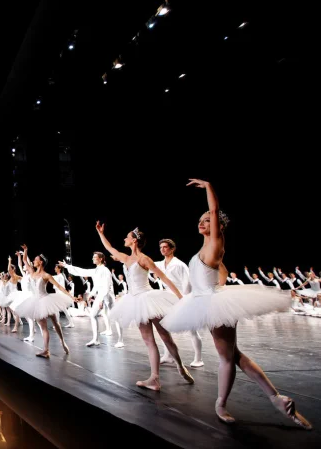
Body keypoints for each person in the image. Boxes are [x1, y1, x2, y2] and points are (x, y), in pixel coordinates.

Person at [161, 179, 309, 428]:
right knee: (234, 355)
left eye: (207, 220)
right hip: (204, 300)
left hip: (212, 303)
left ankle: (221, 403)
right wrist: (215, 286)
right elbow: (221, 272)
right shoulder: (206, 247)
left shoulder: (216, 242)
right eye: (201, 219)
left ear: (217, 226)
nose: (202, 222)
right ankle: (277, 399)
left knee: (227, 358)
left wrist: (208, 187)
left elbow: (216, 211)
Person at [94, 221, 194, 391]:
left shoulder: (143, 259)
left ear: (134, 240)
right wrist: (100, 233)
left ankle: (180, 366)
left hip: (148, 298)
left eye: (127, 236)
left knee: (164, 335)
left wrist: (180, 296)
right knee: (148, 340)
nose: (125, 238)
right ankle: (155, 378)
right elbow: (110, 248)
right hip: (134, 301)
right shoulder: (126, 258)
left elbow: (163, 277)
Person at [153, 239, 204, 368]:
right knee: (164, 327)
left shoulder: (180, 264)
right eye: (161, 247)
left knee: (192, 329)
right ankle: (168, 355)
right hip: (168, 297)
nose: (162, 249)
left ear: (172, 249)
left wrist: (184, 300)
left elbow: (187, 283)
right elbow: (144, 264)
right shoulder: (160, 264)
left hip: (182, 297)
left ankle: (198, 358)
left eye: (165, 247)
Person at [12, 253, 72, 358]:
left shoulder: (46, 275)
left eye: (36, 260)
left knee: (56, 322)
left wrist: (70, 296)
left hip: (46, 300)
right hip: (35, 302)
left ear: (41, 262)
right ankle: (46, 350)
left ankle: (62, 342)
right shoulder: (32, 273)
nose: (34, 261)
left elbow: (58, 286)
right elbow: (25, 260)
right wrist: (25, 251)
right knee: (44, 327)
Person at [59, 251, 123, 348]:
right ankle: (96, 339)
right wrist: (67, 266)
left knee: (115, 317)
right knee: (93, 314)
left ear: (100, 259)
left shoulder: (105, 270)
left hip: (108, 295)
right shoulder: (95, 270)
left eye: (94, 257)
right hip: (100, 295)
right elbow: (82, 272)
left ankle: (120, 340)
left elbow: (106, 287)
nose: (92, 259)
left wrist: (101, 299)